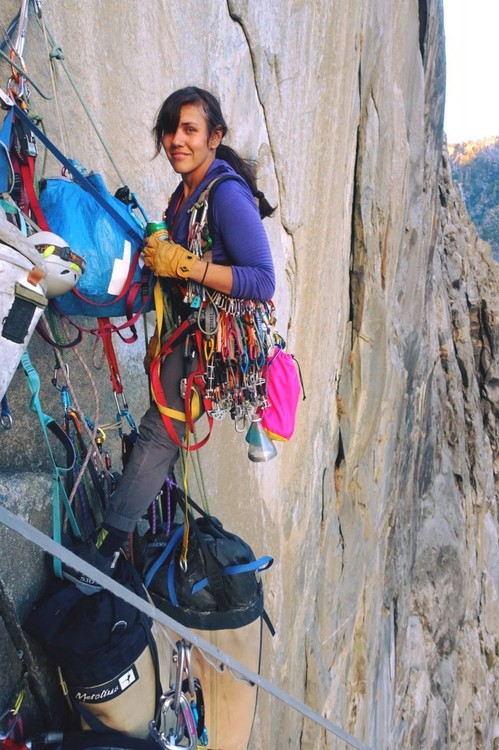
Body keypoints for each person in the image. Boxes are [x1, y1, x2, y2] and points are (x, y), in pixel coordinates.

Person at [63, 86, 276, 593]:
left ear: (214, 136)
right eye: (170, 130)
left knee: (161, 433)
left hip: (213, 348)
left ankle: (108, 551)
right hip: (186, 335)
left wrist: (185, 263)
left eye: (189, 130)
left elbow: (262, 280)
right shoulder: (185, 194)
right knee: (160, 432)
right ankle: (134, 510)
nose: (176, 140)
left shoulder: (224, 194)